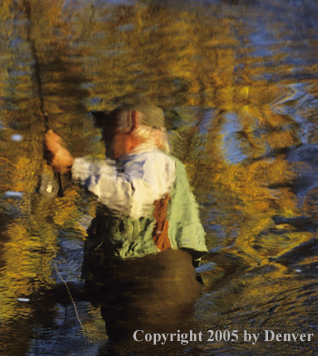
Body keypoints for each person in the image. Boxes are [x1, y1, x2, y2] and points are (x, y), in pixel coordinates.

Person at [44, 104, 208, 347]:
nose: (104, 139)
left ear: (131, 127)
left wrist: (71, 166)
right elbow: (125, 250)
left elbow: (133, 197)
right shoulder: (133, 168)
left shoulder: (152, 158)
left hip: (153, 295)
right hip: (144, 295)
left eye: (108, 131)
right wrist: (81, 292)